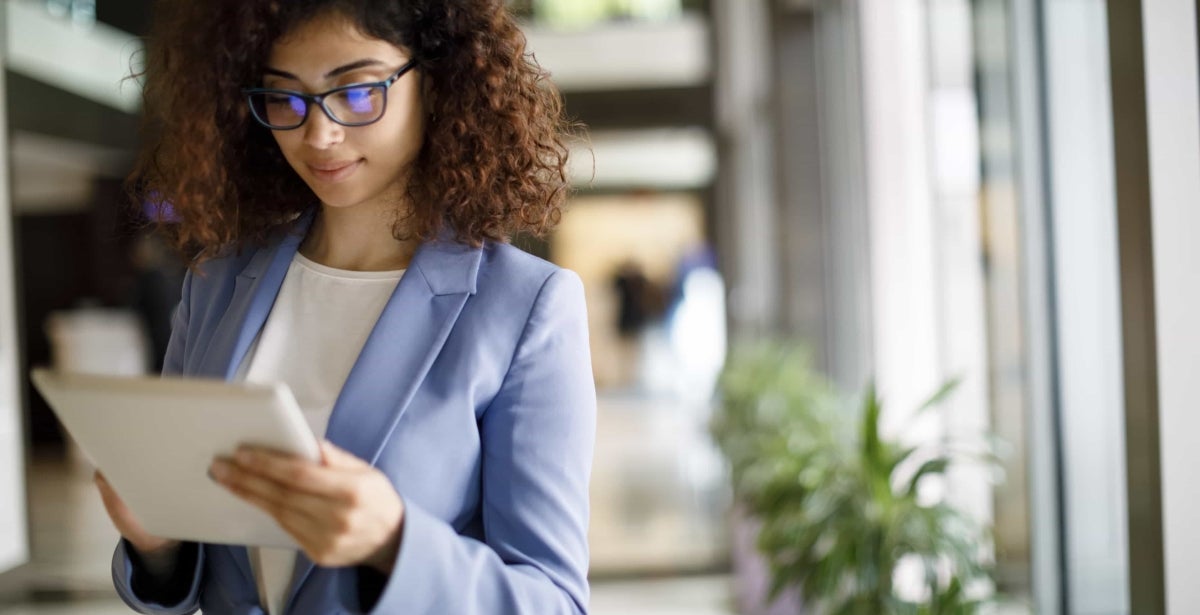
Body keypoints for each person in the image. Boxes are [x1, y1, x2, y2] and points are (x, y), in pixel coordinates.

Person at [92, 1, 596, 613]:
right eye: (285, 99)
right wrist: (157, 546)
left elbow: (554, 600)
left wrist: (395, 543)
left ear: (436, 83)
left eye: (356, 92)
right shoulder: (217, 284)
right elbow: (199, 570)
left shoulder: (524, 308)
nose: (317, 134)